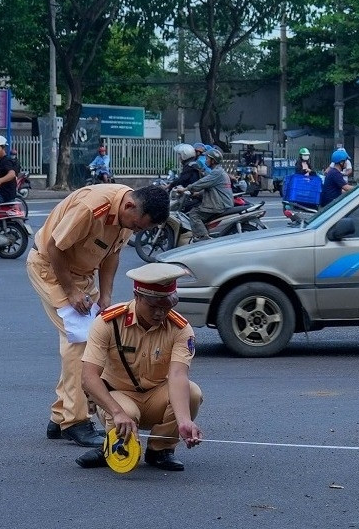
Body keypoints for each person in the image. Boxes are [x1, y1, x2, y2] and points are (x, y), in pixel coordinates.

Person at [29, 183, 170, 448]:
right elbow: (55, 247)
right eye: (138, 226)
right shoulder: (92, 208)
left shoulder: (128, 216)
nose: (136, 231)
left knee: (97, 338)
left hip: (83, 277)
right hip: (50, 270)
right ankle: (75, 421)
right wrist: (70, 292)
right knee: (81, 342)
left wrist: (105, 296)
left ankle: (60, 417)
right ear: (129, 206)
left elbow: (111, 256)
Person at [75, 262, 204, 473]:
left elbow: (178, 375)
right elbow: (88, 377)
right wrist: (116, 412)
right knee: (126, 411)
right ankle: (113, 444)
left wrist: (184, 422)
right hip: (119, 396)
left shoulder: (181, 329)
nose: (160, 313)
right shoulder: (109, 322)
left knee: (192, 392)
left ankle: (160, 449)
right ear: (137, 297)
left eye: (167, 306)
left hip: (156, 396)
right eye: (154, 306)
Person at [179, 146, 233, 240]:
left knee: (194, 214)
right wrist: (197, 194)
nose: (205, 160)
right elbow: (212, 189)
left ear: (213, 161)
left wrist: (185, 189)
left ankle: (203, 237)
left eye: (207, 158)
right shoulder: (219, 172)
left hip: (219, 204)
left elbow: (202, 183)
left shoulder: (216, 173)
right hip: (222, 202)